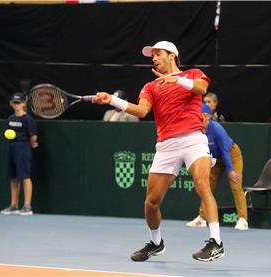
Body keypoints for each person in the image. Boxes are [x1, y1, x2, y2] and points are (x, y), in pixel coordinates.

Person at [92, 41, 225, 262]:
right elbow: (142, 111)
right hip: (166, 145)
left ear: (172, 56)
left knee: (202, 184)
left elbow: (201, 88)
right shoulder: (151, 86)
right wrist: (113, 99)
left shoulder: (193, 73)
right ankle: (156, 243)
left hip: (193, 139)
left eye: (158, 54)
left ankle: (216, 243)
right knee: (151, 203)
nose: (153, 58)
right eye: (152, 55)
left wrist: (177, 80)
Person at [187, 103, 248, 230]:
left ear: (207, 117)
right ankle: (203, 218)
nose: (197, 120)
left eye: (200, 117)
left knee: (236, 186)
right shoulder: (196, 130)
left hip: (231, 154)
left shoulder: (216, 129)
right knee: (206, 186)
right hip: (214, 159)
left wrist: (230, 170)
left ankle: (243, 219)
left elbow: (224, 150)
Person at [1, 92, 38, 216]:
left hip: (24, 147)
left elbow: (33, 137)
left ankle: (27, 206)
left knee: (25, 177)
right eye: (14, 103)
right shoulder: (10, 119)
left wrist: (31, 144)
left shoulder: (28, 120)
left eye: (18, 103)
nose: (16, 105)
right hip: (12, 147)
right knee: (13, 177)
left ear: (24, 103)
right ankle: (14, 205)